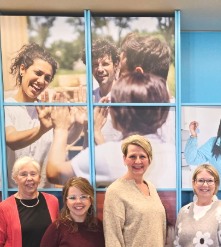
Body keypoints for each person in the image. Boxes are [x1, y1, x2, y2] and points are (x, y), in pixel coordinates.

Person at [46, 72, 175, 188]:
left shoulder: (109, 156)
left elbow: (53, 173)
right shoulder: (173, 153)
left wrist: (61, 128)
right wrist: (93, 131)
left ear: (118, 114)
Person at [4, 43, 86, 188]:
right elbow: (11, 140)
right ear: (22, 69)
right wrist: (42, 128)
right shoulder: (6, 107)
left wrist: (79, 123)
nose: (41, 81)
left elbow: (67, 139)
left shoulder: (49, 106)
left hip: (47, 194)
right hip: (14, 194)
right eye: (38, 73)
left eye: (47, 78)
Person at [80, 38, 123, 143]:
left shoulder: (126, 97)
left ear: (116, 65)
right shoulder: (90, 98)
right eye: (95, 64)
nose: (100, 69)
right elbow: (86, 141)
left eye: (105, 64)